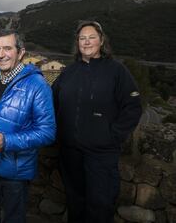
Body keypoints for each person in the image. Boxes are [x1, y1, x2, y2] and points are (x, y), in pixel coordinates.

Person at [52, 21, 142, 223]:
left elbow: (133, 106)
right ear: (77, 43)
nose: (86, 42)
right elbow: (50, 103)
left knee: (100, 207)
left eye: (91, 37)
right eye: (82, 38)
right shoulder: (68, 72)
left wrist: (112, 136)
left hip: (101, 154)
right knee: (75, 203)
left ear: (101, 41)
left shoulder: (117, 71)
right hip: (69, 152)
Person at [0, 29, 56, 223]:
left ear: (20, 52)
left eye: (7, 48)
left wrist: (7, 142)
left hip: (15, 170)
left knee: (14, 218)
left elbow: (47, 132)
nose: (0, 54)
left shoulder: (37, 85)